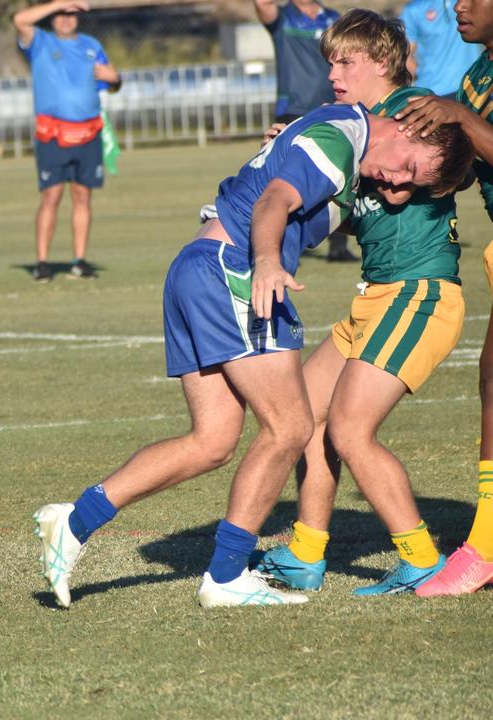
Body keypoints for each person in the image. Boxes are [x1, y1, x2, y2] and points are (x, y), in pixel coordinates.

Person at [32, 102, 472, 608]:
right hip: (235, 271)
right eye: (407, 169)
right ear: (407, 127)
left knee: (213, 440)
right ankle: (224, 577)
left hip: (197, 267)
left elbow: (296, 192)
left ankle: (74, 520)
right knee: (290, 428)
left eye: (409, 186)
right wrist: (266, 262)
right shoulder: (340, 141)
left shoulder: (338, 142)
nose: (397, 186)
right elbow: (273, 202)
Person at [253, 9, 466, 595]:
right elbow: (354, 217)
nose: (334, 73)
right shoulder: (349, 126)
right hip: (375, 294)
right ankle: (305, 552)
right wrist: (297, 152)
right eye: (330, 62)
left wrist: (456, 119)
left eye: (346, 60)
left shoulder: (421, 110)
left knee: (350, 430)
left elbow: (460, 164)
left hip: (418, 291)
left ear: (383, 61)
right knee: (303, 420)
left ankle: (421, 557)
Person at [395, 0, 493, 595]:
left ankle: (483, 546)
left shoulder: (467, 93)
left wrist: (457, 116)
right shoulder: (477, 77)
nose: (461, 5)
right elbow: (461, 165)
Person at [14, 0, 121, 282]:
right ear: (51, 16)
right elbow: (20, 20)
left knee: (82, 196)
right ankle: (42, 262)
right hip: (53, 134)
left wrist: (115, 78)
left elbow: (111, 81)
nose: (65, 18)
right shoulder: (41, 42)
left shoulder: (90, 44)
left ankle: (79, 260)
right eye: (60, 14)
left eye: (71, 13)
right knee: (51, 195)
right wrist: (58, 3)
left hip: (88, 133)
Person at [255, 0, 360, 263]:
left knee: (338, 175)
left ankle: (338, 247)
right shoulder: (282, 17)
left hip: (329, 107)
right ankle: (279, 243)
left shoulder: (332, 18)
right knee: (282, 177)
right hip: (292, 107)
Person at [402, 0, 481, 98]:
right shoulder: (413, 9)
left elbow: (404, 57)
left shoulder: (468, 2)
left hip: (472, 88)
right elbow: (405, 57)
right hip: (433, 93)